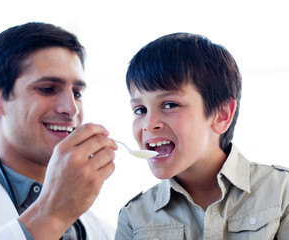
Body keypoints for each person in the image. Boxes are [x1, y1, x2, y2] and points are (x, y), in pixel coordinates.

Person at [0, 22, 118, 239]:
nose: (71, 109)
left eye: (77, 93)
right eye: (47, 89)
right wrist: (52, 213)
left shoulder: (106, 233)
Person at [115, 32, 289, 239]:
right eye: (140, 110)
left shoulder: (282, 193)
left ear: (221, 115)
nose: (149, 124)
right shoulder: (133, 218)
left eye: (170, 105)